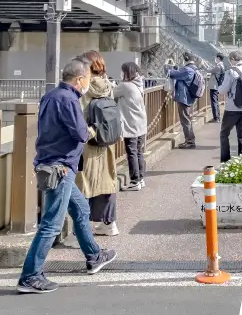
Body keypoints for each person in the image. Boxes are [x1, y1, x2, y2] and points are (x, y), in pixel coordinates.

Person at [17, 58, 116, 294]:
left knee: (81, 210)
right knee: (51, 224)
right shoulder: (70, 100)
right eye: (87, 80)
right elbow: (81, 134)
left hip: (51, 164)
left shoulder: (50, 96)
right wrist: (95, 128)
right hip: (61, 168)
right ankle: (30, 276)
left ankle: (94, 255)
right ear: (80, 79)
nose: (87, 84)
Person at [78, 50, 118, 237]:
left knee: (85, 183)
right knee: (108, 181)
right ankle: (109, 224)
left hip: (90, 140)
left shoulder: (84, 89)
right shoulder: (108, 85)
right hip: (107, 139)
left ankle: (82, 229)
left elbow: (79, 115)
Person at [114, 62, 148, 191]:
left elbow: (112, 92)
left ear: (126, 72)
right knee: (138, 151)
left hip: (131, 123)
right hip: (140, 122)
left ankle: (134, 181)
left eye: (122, 71)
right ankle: (140, 178)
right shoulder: (138, 84)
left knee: (132, 152)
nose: (121, 73)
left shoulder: (126, 86)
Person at [218, 50, 242, 162]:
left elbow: (223, 90)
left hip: (233, 108)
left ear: (233, 59)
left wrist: (217, 89)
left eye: (229, 60)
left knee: (224, 133)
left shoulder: (231, 72)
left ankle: (225, 161)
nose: (229, 62)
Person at [165, 51, 197, 149]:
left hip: (184, 98)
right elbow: (178, 73)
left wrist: (166, 65)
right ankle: (190, 140)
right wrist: (175, 67)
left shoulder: (187, 70)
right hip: (189, 97)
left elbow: (171, 74)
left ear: (186, 58)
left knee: (185, 120)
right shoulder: (193, 68)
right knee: (187, 119)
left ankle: (190, 142)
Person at [208, 53, 225, 123]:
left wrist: (202, 65)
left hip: (214, 86)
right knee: (216, 101)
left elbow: (209, 70)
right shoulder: (221, 66)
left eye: (216, 58)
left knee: (214, 102)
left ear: (218, 58)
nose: (215, 59)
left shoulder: (218, 66)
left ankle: (216, 118)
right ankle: (217, 117)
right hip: (216, 86)